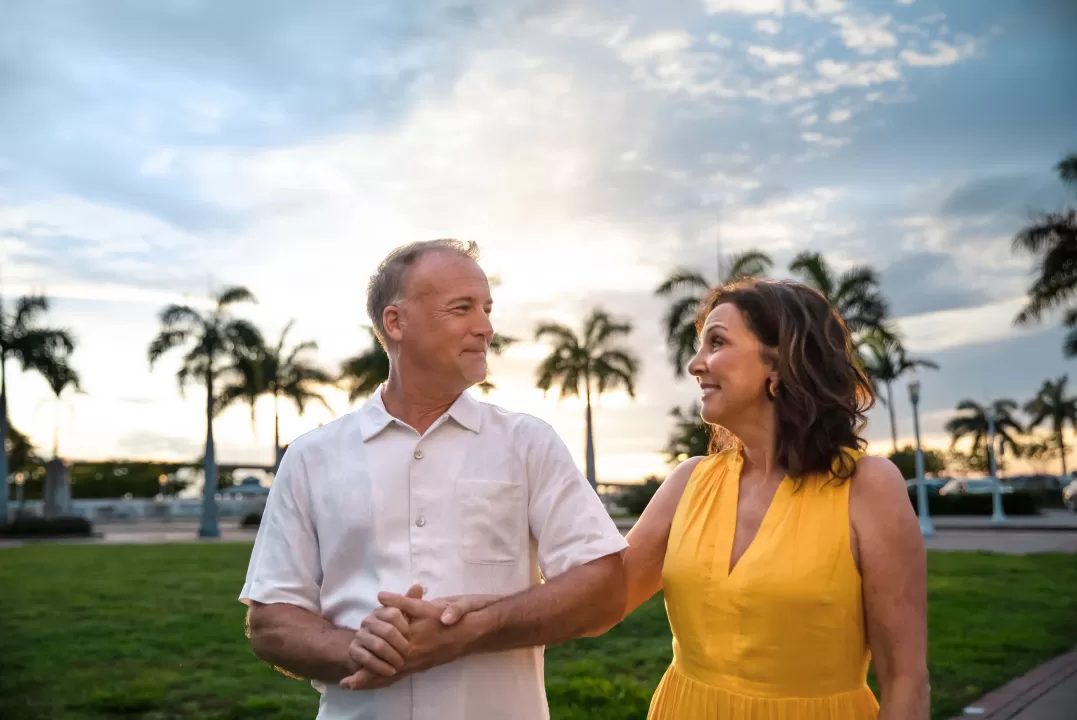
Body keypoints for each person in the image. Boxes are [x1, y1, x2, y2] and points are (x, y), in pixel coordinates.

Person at [239, 238, 628, 720]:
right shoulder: (311, 457)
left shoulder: (528, 443)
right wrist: (357, 648)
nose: (485, 328)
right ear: (395, 322)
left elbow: (605, 587)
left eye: (487, 309)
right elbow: (271, 621)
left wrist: (473, 629)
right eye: (461, 308)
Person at [623, 277, 930, 719]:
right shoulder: (689, 481)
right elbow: (601, 595)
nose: (695, 364)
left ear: (779, 362)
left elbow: (906, 682)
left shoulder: (868, 487)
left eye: (716, 342)